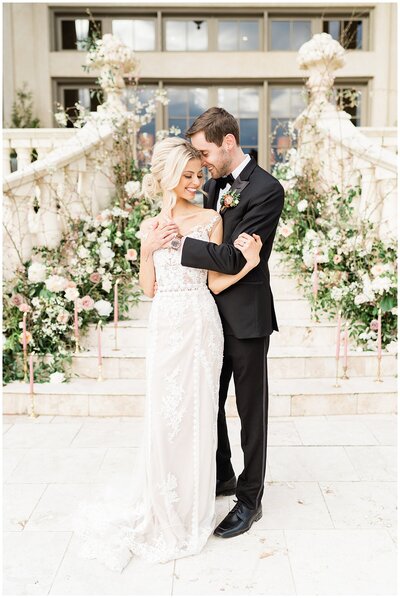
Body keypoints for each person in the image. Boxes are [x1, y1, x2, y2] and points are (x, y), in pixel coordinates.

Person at [72, 136, 262, 572]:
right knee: (164, 415)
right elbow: (147, 287)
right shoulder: (150, 223)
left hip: (199, 324)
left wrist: (247, 262)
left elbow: (215, 283)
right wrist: (148, 247)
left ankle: (192, 506)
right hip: (164, 325)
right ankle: (161, 501)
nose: (196, 182)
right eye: (188, 176)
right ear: (168, 178)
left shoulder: (211, 217)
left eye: (199, 175)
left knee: (196, 416)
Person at [180, 107, 285, 539]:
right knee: (209, 399)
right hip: (208, 314)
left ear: (227, 142)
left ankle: (250, 499)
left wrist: (179, 242)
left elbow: (237, 257)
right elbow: (220, 244)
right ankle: (223, 475)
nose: (202, 162)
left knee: (250, 409)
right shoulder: (217, 186)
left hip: (246, 317)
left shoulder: (267, 189)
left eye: (205, 151)